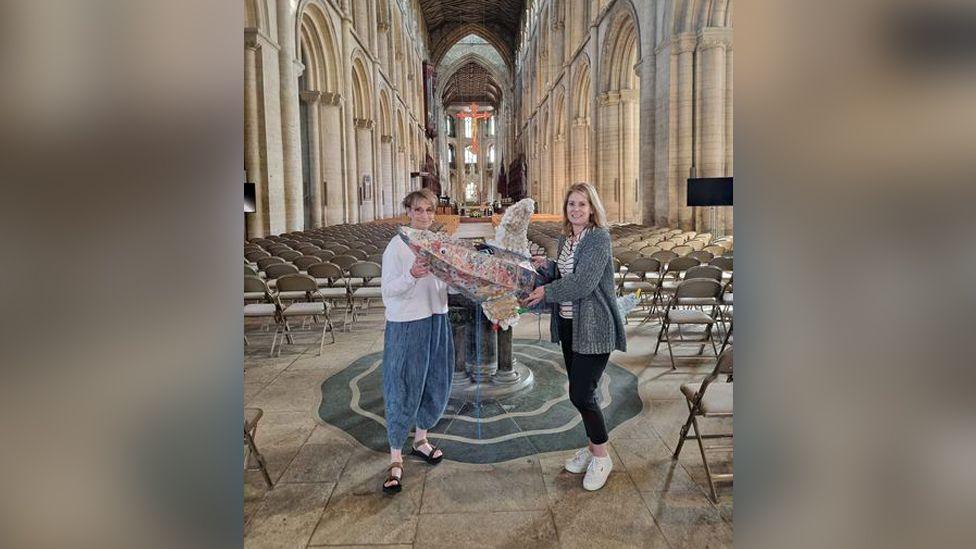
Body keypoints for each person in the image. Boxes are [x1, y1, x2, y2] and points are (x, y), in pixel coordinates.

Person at [523, 182, 626, 491]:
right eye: (571, 204)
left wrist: (546, 291)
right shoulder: (566, 238)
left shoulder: (598, 238)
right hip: (570, 325)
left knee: (582, 394)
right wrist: (549, 266)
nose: (576, 209)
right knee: (582, 392)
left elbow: (583, 282)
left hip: (594, 326)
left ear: (592, 208)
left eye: (582, 204)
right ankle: (592, 448)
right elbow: (568, 272)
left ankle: (602, 456)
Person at [379, 188, 454, 494]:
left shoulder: (437, 244)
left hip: (437, 318)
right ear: (408, 211)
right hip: (408, 323)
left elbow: (443, 285)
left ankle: (420, 439)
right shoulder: (396, 247)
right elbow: (388, 292)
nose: (424, 215)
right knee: (403, 385)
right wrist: (411, 273)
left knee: (434, 381)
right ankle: (395, 455)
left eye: (429, 210)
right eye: (418, 210)